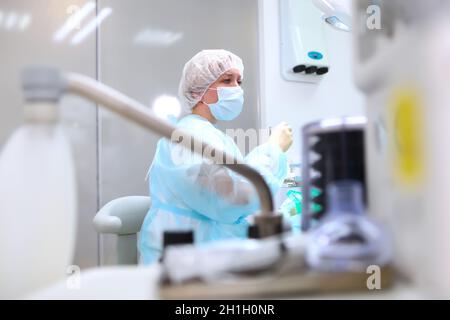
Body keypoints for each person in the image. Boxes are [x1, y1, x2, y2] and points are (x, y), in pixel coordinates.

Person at [139, 49, 293, 264]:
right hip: (182, 264)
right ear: (198, 91)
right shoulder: (191, 137)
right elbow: (228, 198)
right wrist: (272, 151)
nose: (236, 89)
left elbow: (227, 182)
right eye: (227, 80)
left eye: (239, 81)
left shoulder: (206, 134)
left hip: (201, 251)